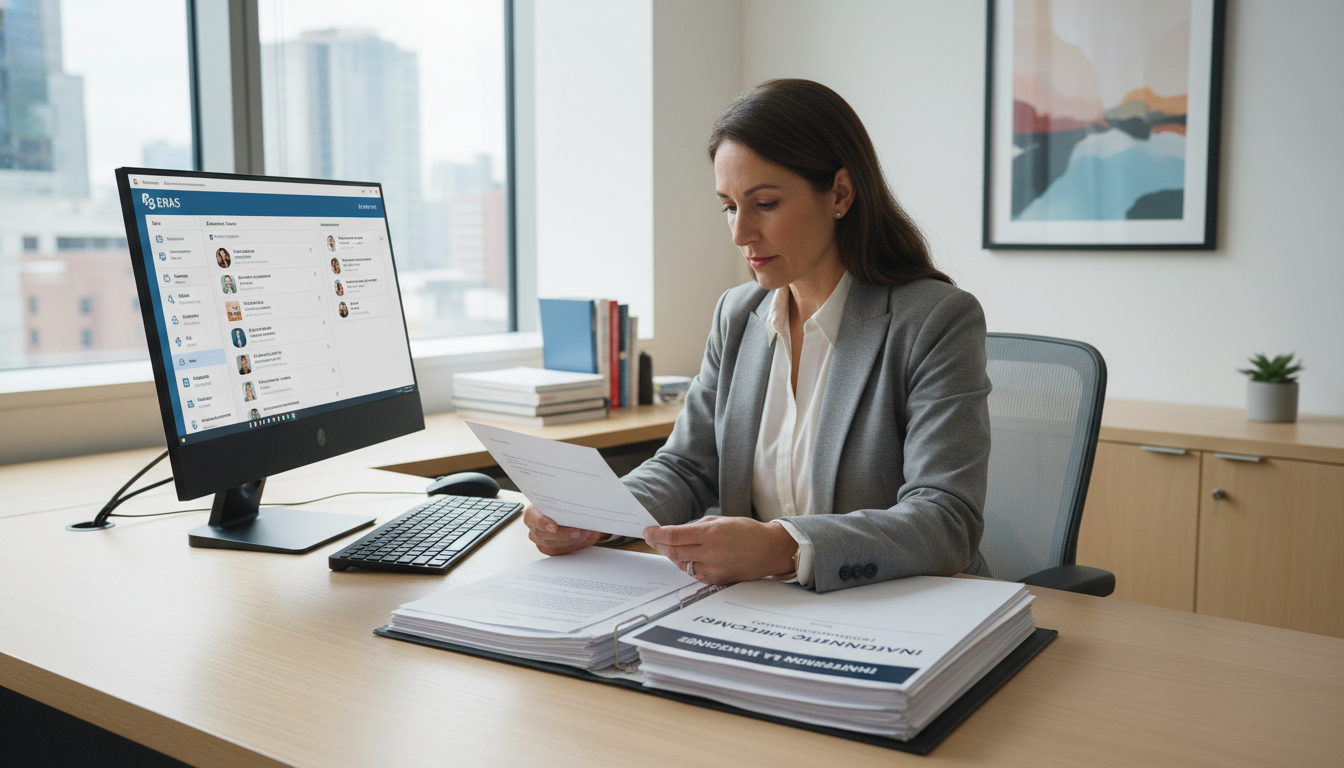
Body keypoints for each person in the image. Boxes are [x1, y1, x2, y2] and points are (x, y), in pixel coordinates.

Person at [523, 79, 992, 594]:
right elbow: (687, 466)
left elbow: (946, 518)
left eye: (764, 203)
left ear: (839, 193)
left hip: (895, 608)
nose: (740, 233)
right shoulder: (738, 313)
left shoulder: (935, 321)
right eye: (728, 206)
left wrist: (785, 546)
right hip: (760, 608)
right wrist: (592, 513)